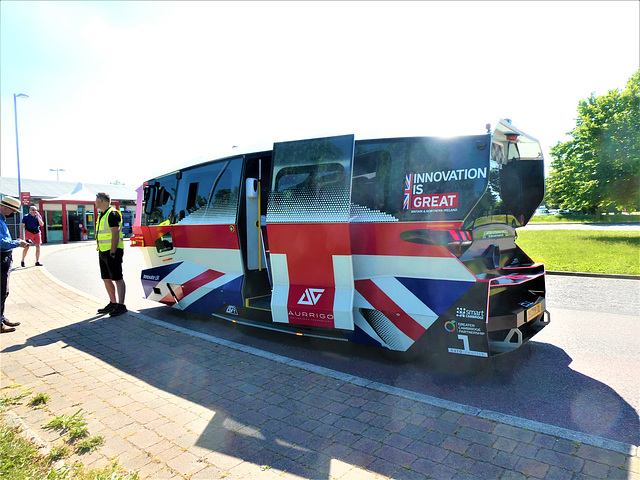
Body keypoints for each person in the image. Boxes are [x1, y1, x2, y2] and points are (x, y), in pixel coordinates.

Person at [95, 192, 127, 317]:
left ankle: (121, 305)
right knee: (106, 278)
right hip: (103, 250)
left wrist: (113, 251)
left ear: (101, 201)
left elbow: (115, 233)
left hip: (113, 251)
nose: (95, 202)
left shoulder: (112, 214)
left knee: (117, 278)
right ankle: (113, 303)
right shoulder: (102, 215)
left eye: (96, 200)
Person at [1, 196, 29, 333]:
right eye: (12, 211)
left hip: (4, 257)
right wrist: (18, 243)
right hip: (1, 258)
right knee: (1, 292)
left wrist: (13, 241)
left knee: (3, 292)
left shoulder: (2, 220)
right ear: (5, 208)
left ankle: (1, 317)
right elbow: (1, 243)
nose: (12, 214)